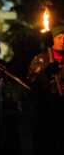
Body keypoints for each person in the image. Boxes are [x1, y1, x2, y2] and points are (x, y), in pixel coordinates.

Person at [27, 25, 64, 155]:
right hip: (47, 110)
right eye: (59, 37)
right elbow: (31, 83)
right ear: (51, 39)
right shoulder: (40, 59)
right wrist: (46, 74)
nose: (62, 40)